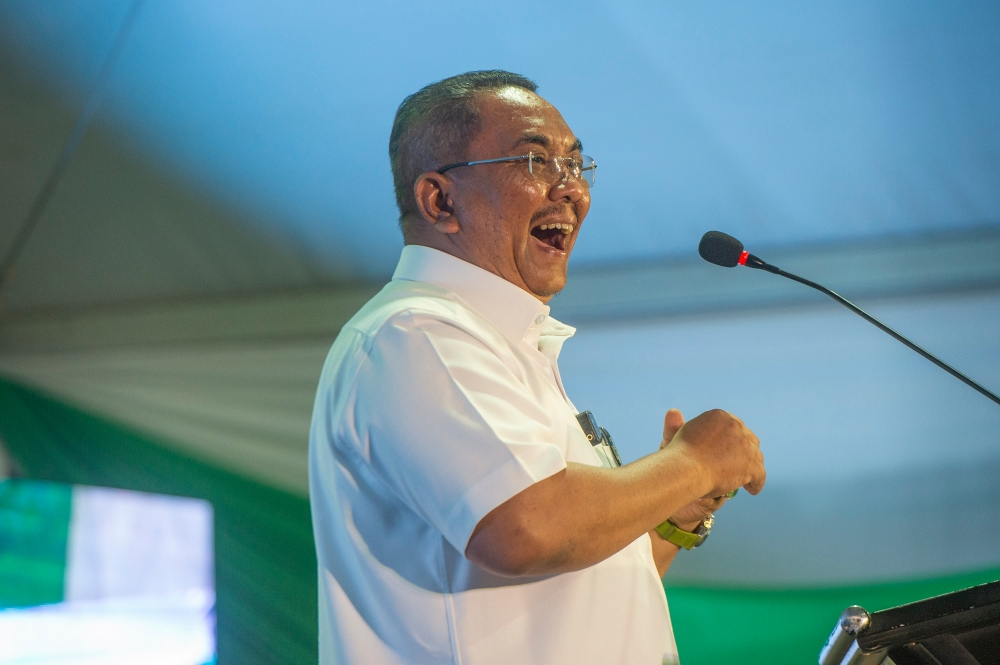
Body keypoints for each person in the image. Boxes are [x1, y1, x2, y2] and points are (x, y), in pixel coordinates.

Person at [308, 70, 766, 665]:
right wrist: (692, 460)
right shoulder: (415, 333)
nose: (572, 189)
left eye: (577, 166)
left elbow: (580, 585)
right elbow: (528, 529)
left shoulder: (504, 344)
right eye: (535, 161)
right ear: (439, 200)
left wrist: (675, 510)